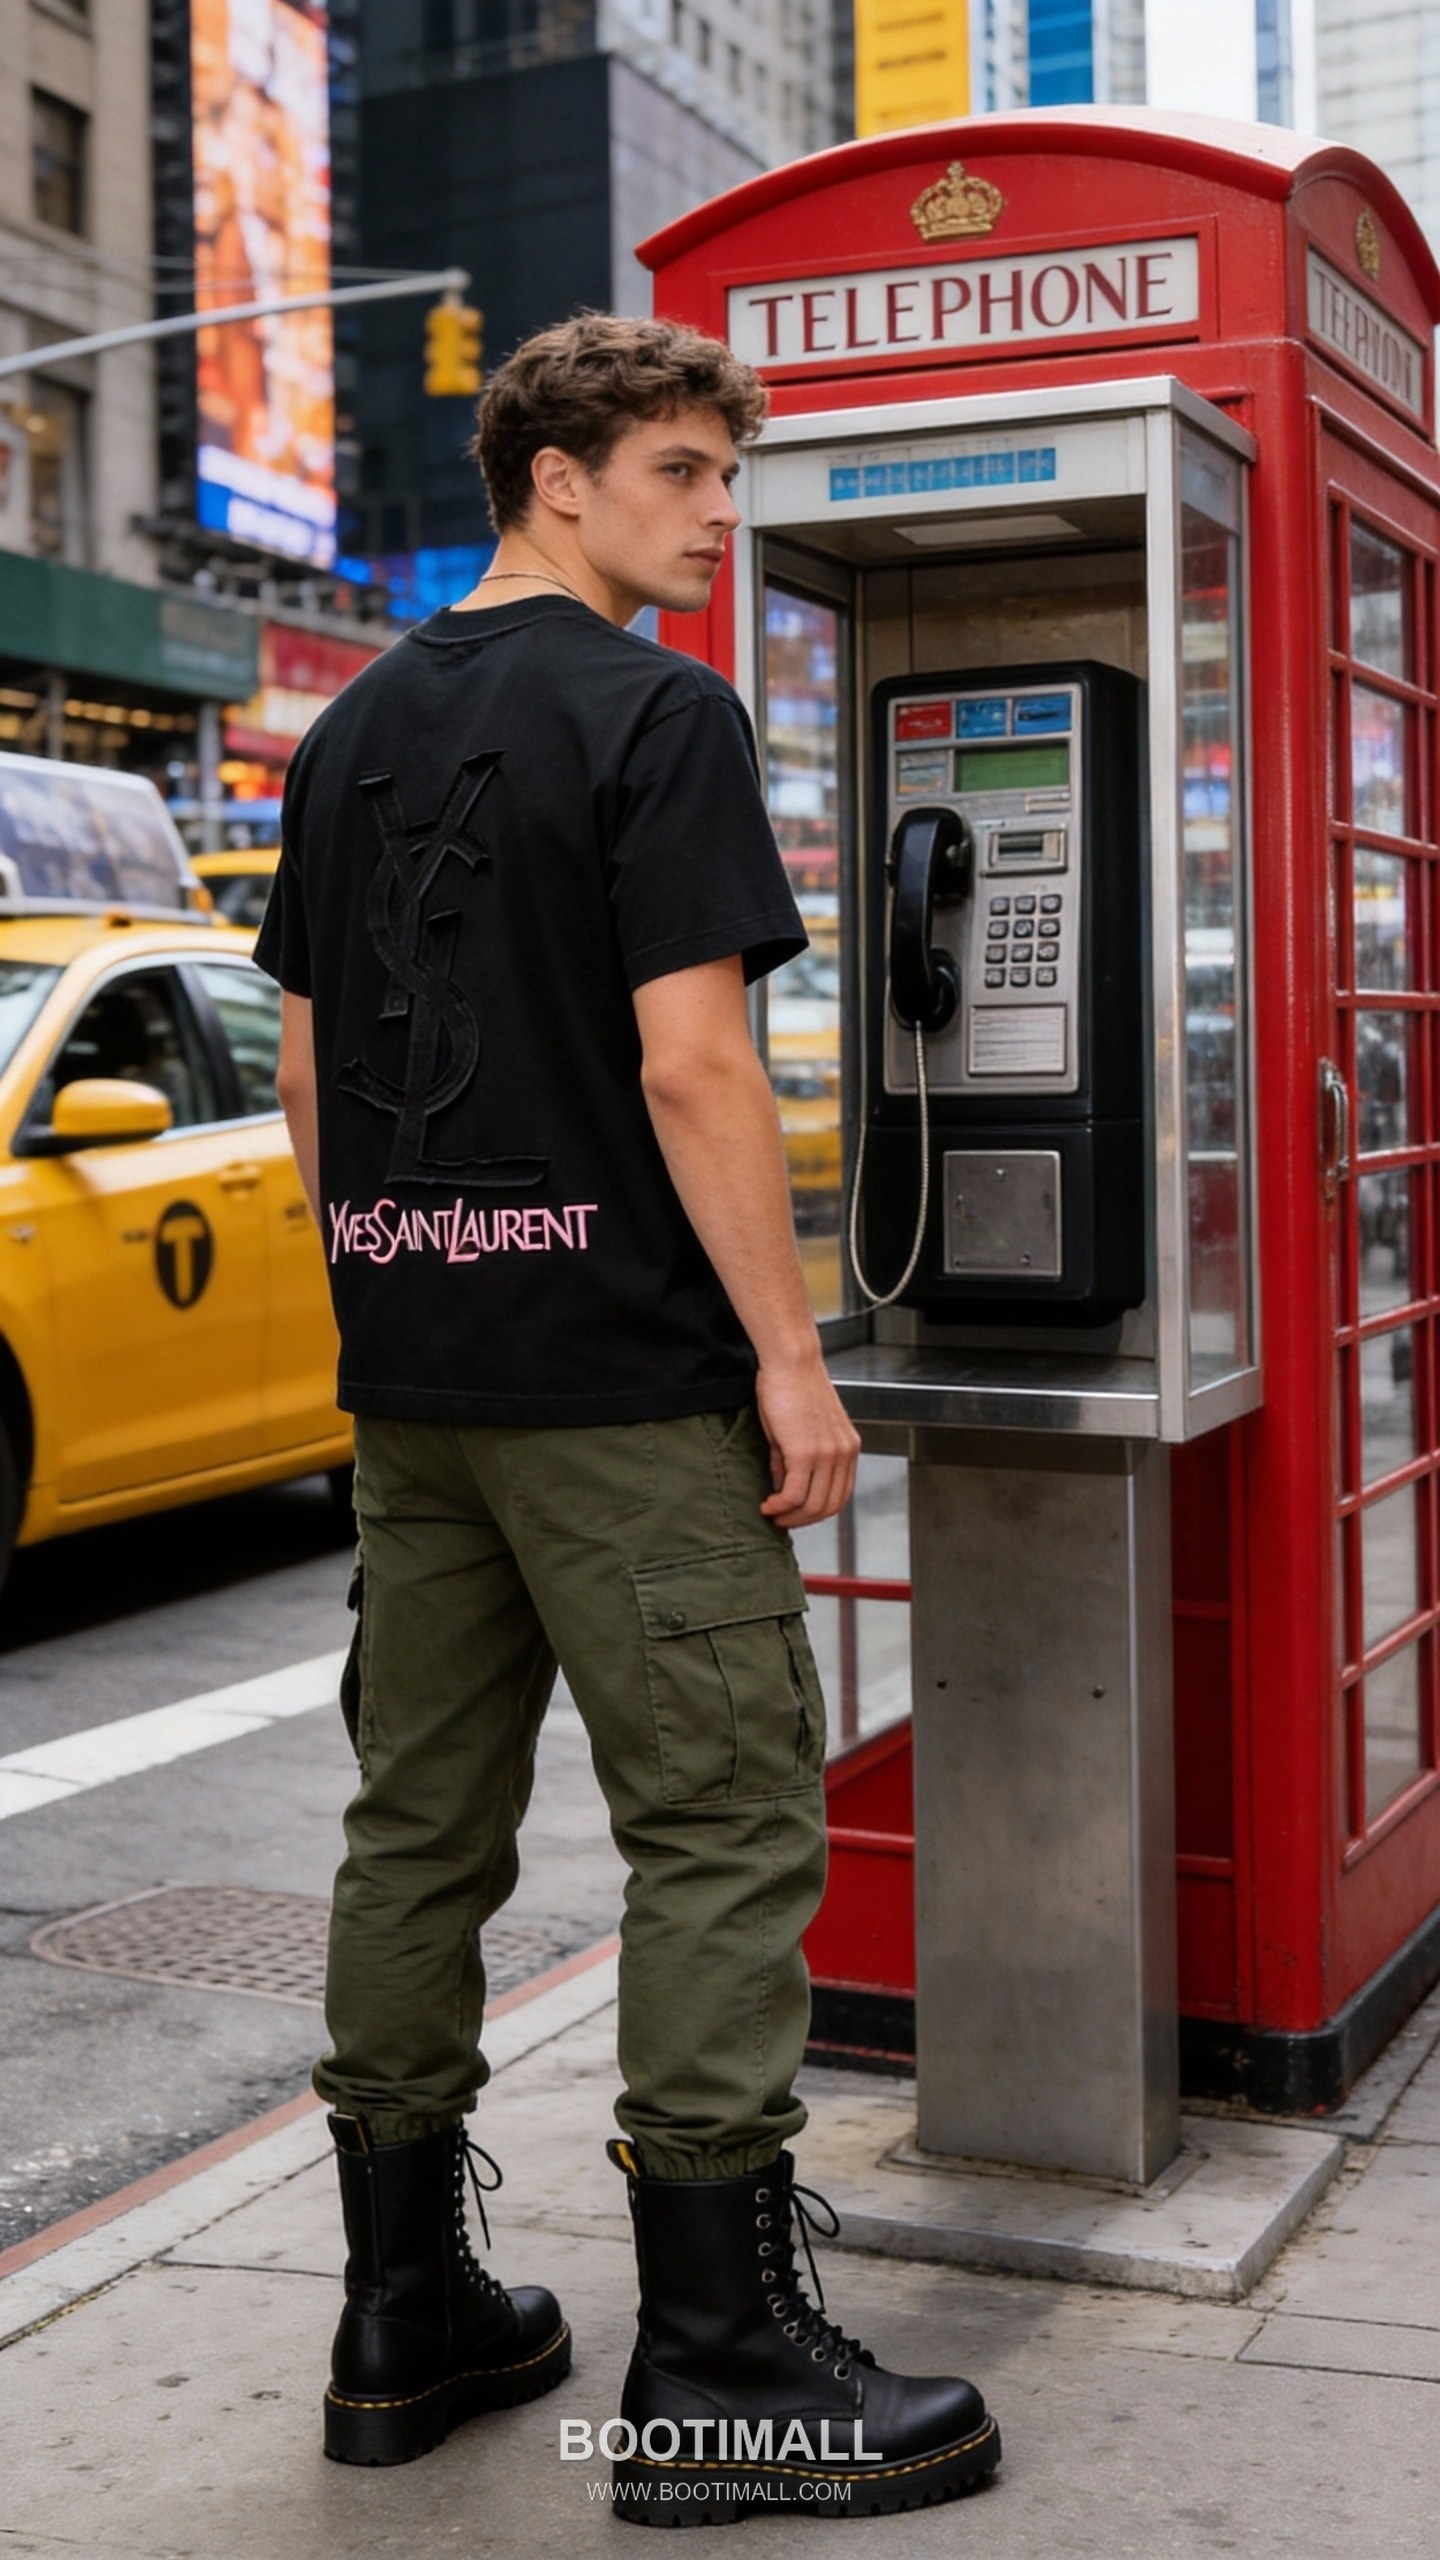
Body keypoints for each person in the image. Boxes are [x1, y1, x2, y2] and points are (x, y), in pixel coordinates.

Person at [259, 312, 999, 2523]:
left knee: (418, 1827)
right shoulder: (657, 713)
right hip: (611, 1380)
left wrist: (391, 1278)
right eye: (684, 470)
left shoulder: (352, 723)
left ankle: (405, 2318)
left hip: (417, 1373)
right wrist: (787, 1351)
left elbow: (309, 1071)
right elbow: (694, 1064)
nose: (716, 511)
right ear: (554, 479)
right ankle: (714, 2358)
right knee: (729, 1816)